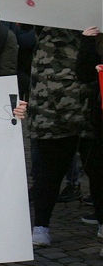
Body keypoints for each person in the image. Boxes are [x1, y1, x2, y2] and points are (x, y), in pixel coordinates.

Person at [26, 26, 98, 247]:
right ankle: (41, 226)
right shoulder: (45, 27)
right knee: (48, 171)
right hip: (50, 107)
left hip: (88, 106)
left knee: (96, 168)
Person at [76, 26, 103, 257]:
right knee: (98, 169)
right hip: (99, 117)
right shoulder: (95, 36)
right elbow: (83, 74)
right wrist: (86, 42)